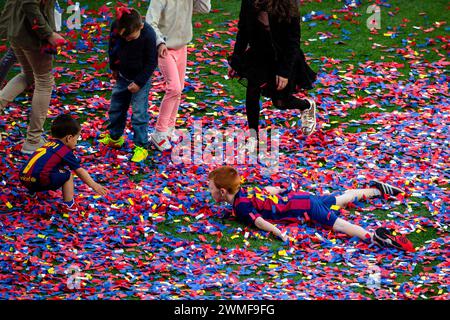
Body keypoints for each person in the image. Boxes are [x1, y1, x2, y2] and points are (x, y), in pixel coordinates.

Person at [207, 166, 415, 252]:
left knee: (339, 224)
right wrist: (281, 188)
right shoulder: (245, 193)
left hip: (302, 208)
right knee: (339, 198)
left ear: (223, 191)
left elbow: (259, 222)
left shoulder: (241, 206)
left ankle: (372, 236)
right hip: (301, 198)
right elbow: (267, 190)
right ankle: (375, 191)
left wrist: (278, 232)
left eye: (212, 189)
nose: (210, 192)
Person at [228, 0, 317, 137]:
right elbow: (243, 31)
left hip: (283, 57)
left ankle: (306, 105)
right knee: (252, 92)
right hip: (259, 54)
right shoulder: (249, 3)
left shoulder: (287, 4)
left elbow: (293, 41)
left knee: (281, 102)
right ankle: (253, 137)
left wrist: (284, 72)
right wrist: (236, 60)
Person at [0, 0, 66, 154]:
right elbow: (29, 4)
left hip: (17, 31)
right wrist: (48, 33)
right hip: (31, 36)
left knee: (29, 76)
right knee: (44, 81)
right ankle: (33, 140)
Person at [146, 0, 211, 152]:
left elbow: (204, 8)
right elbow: (150, 22)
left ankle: (169, 128)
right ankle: (159, 132)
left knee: (179, 88)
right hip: (164, 49)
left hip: (182, 47)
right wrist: (159, 42)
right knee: (174, 88)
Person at [99, 8, 158, 162]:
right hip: (122, 75)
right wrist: (114, 67)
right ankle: (115, 137)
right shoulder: (117, 27)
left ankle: (141, 146)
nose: (127, 40)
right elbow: (112, 48)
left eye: (131, 38)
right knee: (116, 108)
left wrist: (139, 83)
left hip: (140, 79)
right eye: (124, 37)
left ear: (141, 27)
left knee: (139, 113)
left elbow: (152, 62)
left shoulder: (148, 34)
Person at [19, 114, 108, 214]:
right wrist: (95, 185)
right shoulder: (64, 151)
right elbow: (79, 170)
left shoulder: (47, 145)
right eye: (77, 138)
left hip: (24, 177)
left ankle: (31, 192)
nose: (76, 142)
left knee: (43, 168)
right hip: (41, 180)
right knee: (68, 175)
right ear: (69, 138)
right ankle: (69, 204)